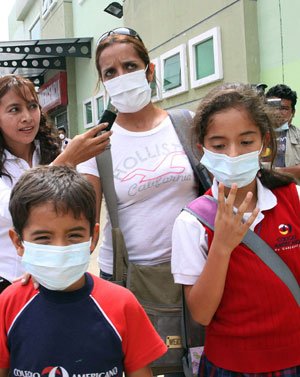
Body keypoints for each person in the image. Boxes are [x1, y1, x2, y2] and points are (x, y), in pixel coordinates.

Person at [172, 83, 300, 375]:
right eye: (219, 145)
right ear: (201, 150)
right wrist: (222, 246)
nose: (232, 154)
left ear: (264, 143)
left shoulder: (293, 198)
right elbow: (202, 314)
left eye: (245, 142)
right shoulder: (192, 222)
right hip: (230, 365)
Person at [0, 165, 167, 376]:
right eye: (43, 238)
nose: (60, 248)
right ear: (18, 242)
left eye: (74, 236)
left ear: (92, 237)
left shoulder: (122, 304)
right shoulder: (8, 304)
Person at [77, 27, 199, 279]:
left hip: (193, 267)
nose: (121, 77)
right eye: (110, 72)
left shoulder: (188, 124)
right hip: (127, 277)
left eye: (130, 66)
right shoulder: (96, 143)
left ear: (149, 71)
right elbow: (86, 225)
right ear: (104, 84)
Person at [0, 74, 111, 293]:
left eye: (32, 106)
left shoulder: (52, 150)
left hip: (58, 278)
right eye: (14, 109)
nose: (27, 117)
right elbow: (13, 209)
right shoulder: (64, 157)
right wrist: (66, 160)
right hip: (10, 282)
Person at [265, 84, 300, 183]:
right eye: (274, 107)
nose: (277, 112)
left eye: (284, 108)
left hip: (293, 194)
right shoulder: (256, 135)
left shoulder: (298, 136)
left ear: (293, 113)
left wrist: (276, 172)